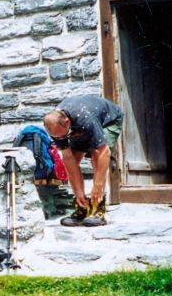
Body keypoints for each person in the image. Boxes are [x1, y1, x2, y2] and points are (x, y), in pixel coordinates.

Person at [43, 95, 123, 227]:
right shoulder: (56, 126)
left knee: (96, 157)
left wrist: (97, 186)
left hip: (109, 120)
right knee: (74, 156)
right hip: (78, 125)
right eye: (57, 137)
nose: (61, 139)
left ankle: (98, 209)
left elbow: (104, 152)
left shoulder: (85, 119)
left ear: (67, 122)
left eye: (63, 136)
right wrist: (78, 193)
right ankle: (82, 207)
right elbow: (68, 158)